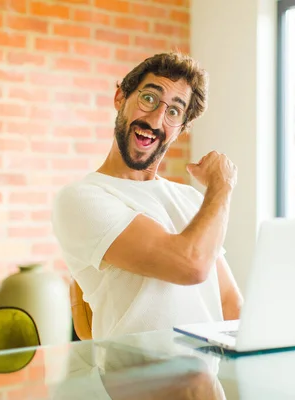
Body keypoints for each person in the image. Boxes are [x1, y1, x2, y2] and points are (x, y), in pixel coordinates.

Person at [52, 52, 242, 340]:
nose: (155, 120)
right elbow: (191, 265)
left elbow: (229, 302)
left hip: (208, 378)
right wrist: (221, 185)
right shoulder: (81, 199)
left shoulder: (190, 199)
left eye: (174, 112)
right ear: (120, 98)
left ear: (180, 129)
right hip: (136, 380)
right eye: (149, 99)